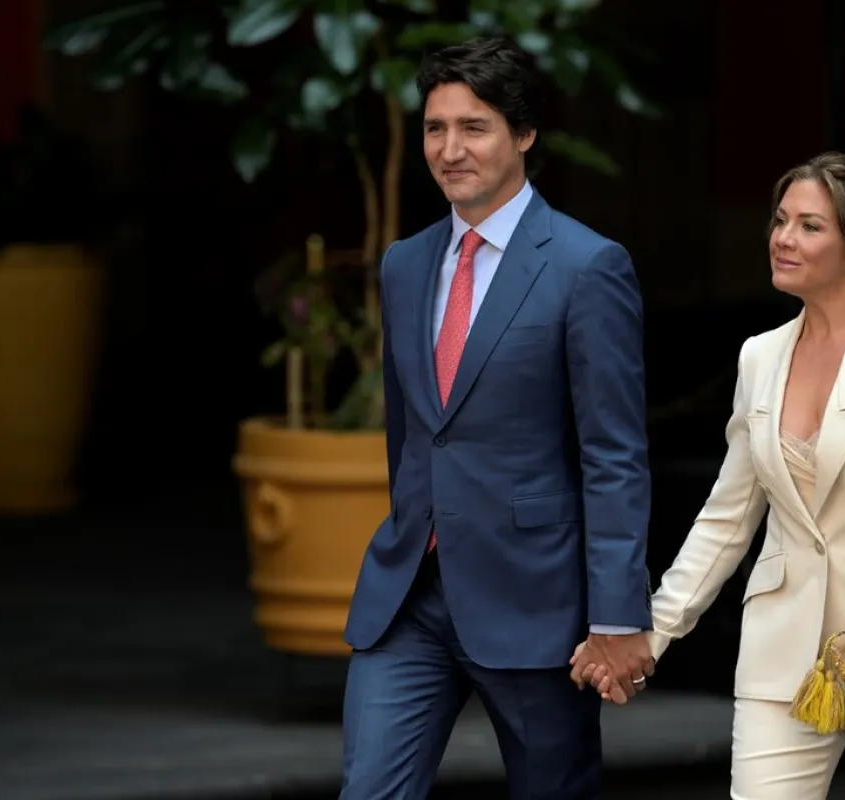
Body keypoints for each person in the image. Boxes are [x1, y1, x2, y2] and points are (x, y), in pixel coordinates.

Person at [572, 152, 845, 799]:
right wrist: (654, 630)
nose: (783, 238)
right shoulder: (759, 356)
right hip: (781, 647)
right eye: (781, 220)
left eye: (810, 226)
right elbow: (728, 517)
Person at [340, 36, 656, 799]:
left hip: (537, 605)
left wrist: (617, 615)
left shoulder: (587, 266)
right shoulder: (405, 264)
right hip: (410, 595)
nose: (450, 149)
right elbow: (412, 435)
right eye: (435, 128)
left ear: (523, 133)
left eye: (473, 127)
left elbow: (614, 453)